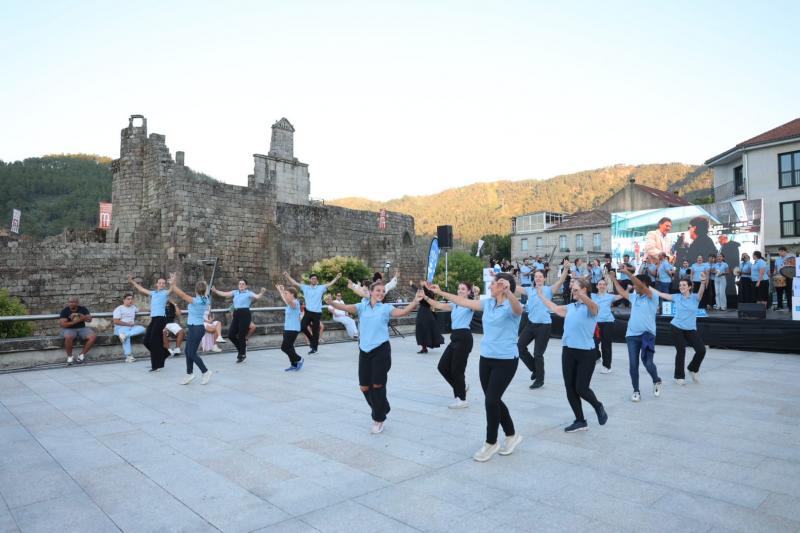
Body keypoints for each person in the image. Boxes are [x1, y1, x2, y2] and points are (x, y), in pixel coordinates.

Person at [427, 273, 523, 462]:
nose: (491, 285)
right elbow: (462, 302)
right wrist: (441, 292)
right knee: (493, 399)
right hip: (486, 358)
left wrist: (509, 292)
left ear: (503, 287)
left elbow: (518, 310)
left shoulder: (511, 306)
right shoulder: (488, 303)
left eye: (494, 283)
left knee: (491, 401)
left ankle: (491, 442)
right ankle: (512, 435)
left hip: (506, 360)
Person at [326, 282, 421, 434]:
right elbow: (346, 308)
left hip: (381, 350)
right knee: (364, 386)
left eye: (383, 291)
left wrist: (415, 301)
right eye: (378, 290)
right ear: (370, 292)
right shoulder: (362, 306)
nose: (381, 293)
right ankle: (382, 407)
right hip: (364, 350)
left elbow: (402, 312)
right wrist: (331, 303)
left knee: (377, 384)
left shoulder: (386, 308)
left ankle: (378, 418)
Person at [539, 278, 608, 432]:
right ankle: (580, 420)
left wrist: (581, 295)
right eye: (573, 289)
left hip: (586, 353)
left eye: (575, 289)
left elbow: (593, 306)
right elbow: (555, 308)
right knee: (570, 388)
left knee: (581, 388)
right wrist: (542, 297)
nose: (572, 291)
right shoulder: (571, 307)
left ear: (584, 290)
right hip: (568, 352)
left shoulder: (592, 307)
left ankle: (598, 405)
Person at [610, 266, 664, 402]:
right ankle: (636, 390)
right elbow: (621, 292)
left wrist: (628, 273)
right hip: (632, 336)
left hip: (647, 335)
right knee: (633, 364)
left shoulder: (653, 296)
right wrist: (613, 279)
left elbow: (640, 285)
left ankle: (656, 380)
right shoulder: (634, 297)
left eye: (636, 284)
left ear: (644, 285)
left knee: (648, 363)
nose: (634, 286)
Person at [423, 282, 474, 408]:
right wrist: (424, 297)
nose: (460, 290)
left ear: (469, 292)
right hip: (455, 337)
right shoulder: (454, 304)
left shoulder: (470, 304)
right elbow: (437, 305)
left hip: (464, 337)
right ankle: (461, 388)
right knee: (442, 367)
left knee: (457, 370)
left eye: (463, 289)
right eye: (459, 288)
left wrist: (440, 292)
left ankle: (461, 399)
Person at [516, 266, 569, 389]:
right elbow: (514, 287)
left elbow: (561, 281)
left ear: (544, 278)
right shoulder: (529, 290)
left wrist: (566, 269)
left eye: (540, 276)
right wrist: (503, 277)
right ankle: (535, 369)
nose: (538, 278)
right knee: (519, 348)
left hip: (544, 326)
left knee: (538, 354)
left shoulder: (548, 290)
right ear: (534, 279)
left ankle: (539, 380)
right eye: (536, 277)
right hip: (530, 324)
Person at [169, 274, 213, 385]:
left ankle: (205, 371)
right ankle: (189, 374)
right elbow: (202, 292)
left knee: (191, 353)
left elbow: (182, 295)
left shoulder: (195, 300)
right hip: (196, 328)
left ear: (196, 290)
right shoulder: (206, 299)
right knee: (188, 351)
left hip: (196, 329)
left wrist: (173, 284)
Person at [665, 273, 708, 385]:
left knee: (701, 350)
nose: (681, 287)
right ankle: (679, 376)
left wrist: (703, 282)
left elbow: (701, 291)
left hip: (690, 328)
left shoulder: (695, 298)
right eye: (680, 285)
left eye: (684, 285)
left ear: (689, 287)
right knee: (681, 350)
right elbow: (662, 294)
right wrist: (648, 288)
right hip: (676, 326)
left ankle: (693, 369)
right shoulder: (677, 297)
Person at [284, 271, 341, 355]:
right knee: (302, 327)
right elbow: (295, 283)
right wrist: (288, 276)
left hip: (317, 313)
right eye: (312, 279)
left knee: (315, 331)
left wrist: (336, 278)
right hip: (308, 312)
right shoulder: (305, 287)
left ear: (317, 280)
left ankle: (314, 349)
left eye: (315, 279)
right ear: (310, 280)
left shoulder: (321, 287)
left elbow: (330, 284)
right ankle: (312, 340)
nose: (314, 280)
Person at [211, 280, 267, 363]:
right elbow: (225, 294)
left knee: (241, 336)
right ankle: (241, 349)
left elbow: (257, 296)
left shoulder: (249, 293)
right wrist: (215, 291)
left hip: (245, 314)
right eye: (240, 284)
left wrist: (261, 292)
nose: (241, 285)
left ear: (246, 286)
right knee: (231, 335)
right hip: (236, 314)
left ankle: (242, 354)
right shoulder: (235, 292)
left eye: (243, 284)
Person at [128, 275, 171, 371]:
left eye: (163, 283)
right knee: (146, 341)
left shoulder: (165, 293)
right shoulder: (153, 293)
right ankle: (164, 353)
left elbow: (172, 289)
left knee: (154, 341)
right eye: (160, 283)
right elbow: (141, 289)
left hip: (161, 319)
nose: (161, 284)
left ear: (165, 285)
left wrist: (173, 282)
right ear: (156, 284)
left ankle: (156, 365)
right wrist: (132, 281)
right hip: (154, 319)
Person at [592, 276, 624, 373]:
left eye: (603, 284)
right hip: (596, 323)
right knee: (592, 343)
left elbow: (622, 295)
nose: (602, 286)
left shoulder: (610, 296)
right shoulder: (592, 296)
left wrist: (628, 289)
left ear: (606, 286)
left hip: (608, 322)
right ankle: (597, 356)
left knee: (606, 345)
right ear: (597, 286)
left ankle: (607, 366)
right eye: (600, 284)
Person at [59, 296, 97, 365]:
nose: (72, 304)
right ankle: (70, 357)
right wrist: (77, 320)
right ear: (68, 302)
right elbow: (63, 325)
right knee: (68, 336)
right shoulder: (65, 311)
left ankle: (81, 355)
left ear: (77, 303)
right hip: (69, 329)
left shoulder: (83, 309)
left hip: (82, 328)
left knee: (93, 336)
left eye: (74, 302)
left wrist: (82, 316)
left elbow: (89, 320)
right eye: (70, 302)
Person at [276, 284, 304, 371]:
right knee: (290, 347)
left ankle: (299, 359)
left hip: (293, 329)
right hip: (288, 328)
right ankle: (294, 364)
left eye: (287, 293)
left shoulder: (295, 303)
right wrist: (281, 291)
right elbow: (285, 299)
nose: (285, 295)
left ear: (292, 294)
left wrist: (282, 290)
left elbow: (288, 301)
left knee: (284, 347)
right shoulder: (289, 303)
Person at [112, 293, 146, 364]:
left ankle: (124, 335)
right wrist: (128, 324)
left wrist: (150, 310)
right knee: (127, 337)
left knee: (142, 328)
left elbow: (140, 310)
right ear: (124, 300)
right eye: (128, 299)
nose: (130, 300)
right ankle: (129, 356)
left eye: (131, 299)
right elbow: (116, 321)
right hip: (120, 328)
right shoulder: (119, 309)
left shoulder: (133, 307)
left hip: (130, 328)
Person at [414, 283, 444, 354]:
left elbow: (427, 292)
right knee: (420, 329)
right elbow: (417, 290)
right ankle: (423, 348)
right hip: (421, 312)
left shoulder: (430, 293)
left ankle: (426, 345)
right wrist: (412, 285)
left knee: (426, 329)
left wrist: (424, 285)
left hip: (426, 313)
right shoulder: (422, 293)